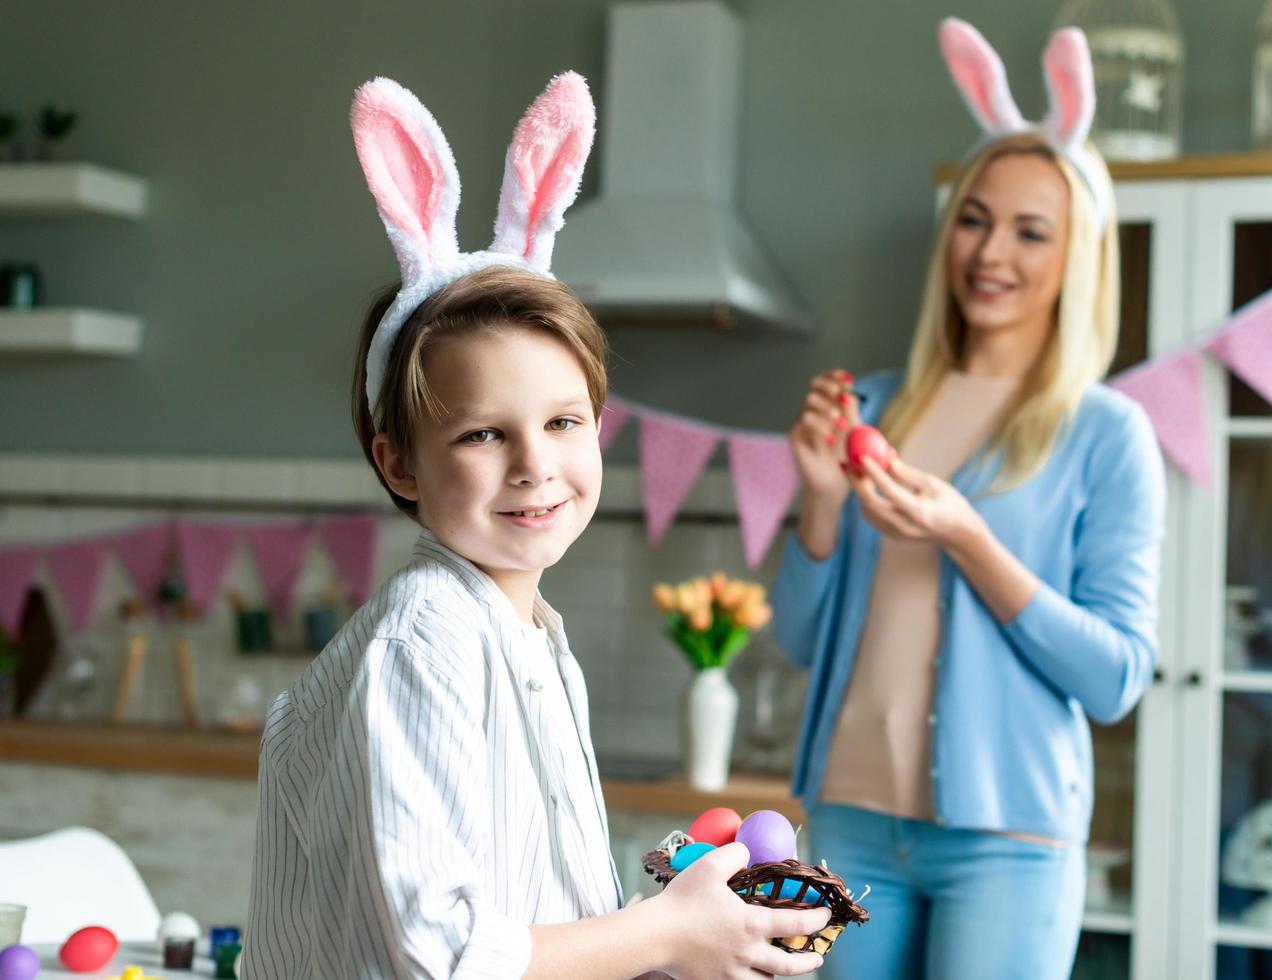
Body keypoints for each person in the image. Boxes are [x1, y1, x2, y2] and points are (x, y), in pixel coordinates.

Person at [242, 73, 828, 980]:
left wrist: (687, 936)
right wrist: (668, 933)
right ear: (398, 461)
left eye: (562, 422)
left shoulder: (531, 637)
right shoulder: (426, 641)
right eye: (482, 432)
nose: (535, 465)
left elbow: (546, 925)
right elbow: (444, 951)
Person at [772, 21, 1165, 980]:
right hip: (852, 825)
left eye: (1032, 230)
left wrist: (968, 539)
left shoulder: (1106, 434)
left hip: (1009, 842)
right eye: (976, 219)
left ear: (1077, 256)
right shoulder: (871, 405)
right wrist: (819, 505)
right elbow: (795, 638)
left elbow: (1116, 677)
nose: (992, 251)